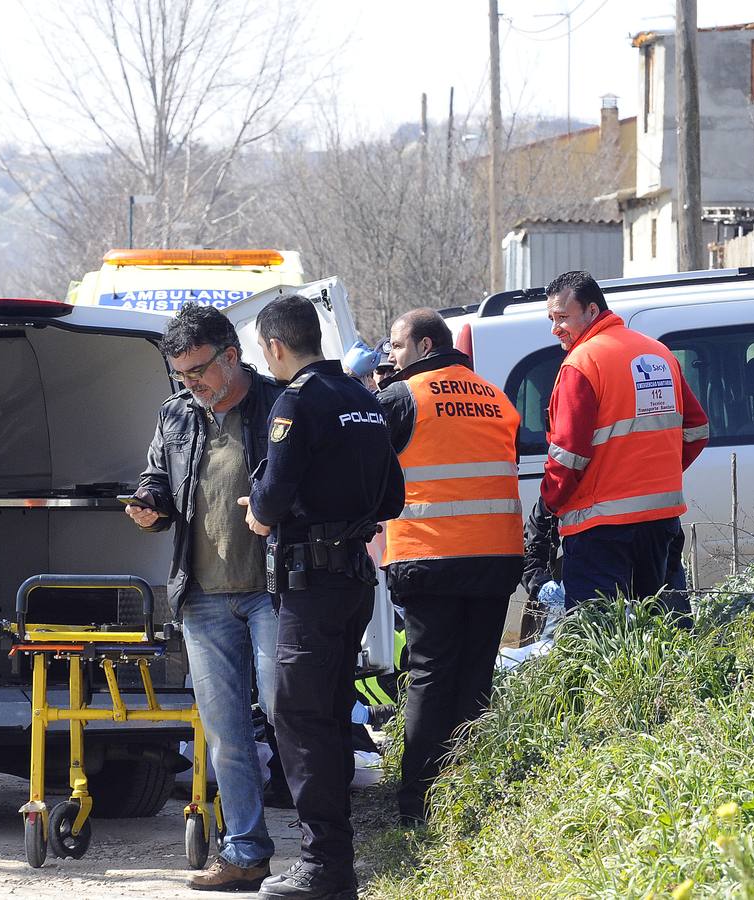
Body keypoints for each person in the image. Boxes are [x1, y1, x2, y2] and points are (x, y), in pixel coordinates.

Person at [239, 295, 403, 900]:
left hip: (308, 585)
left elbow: (272, 497)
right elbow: (393, 499)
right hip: (353, 581)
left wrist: (259, 515)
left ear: (276, 346)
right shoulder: (364, 398)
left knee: (301, 719)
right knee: (331, 717)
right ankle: (335, 861)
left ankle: (323, 865)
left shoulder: (296, 402)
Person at [129, 304, 285, 892]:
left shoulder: (276, 405)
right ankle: (245, 852)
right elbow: (157, 478)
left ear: (231, 355)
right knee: (223, 735)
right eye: (180, 374)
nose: (189, 383)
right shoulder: (176, 415)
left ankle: (326, 844)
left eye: (197, 370)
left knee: (286, 717)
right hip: (202, 598)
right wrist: (148, 506)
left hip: (271, 592)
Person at [374, 308, 522, 827]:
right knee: (475, 677)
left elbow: (364, 467)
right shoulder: (494, 395)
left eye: (396, 345)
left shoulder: (401, 398)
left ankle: (417, 803)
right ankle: (471, 795)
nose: (390, 356)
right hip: (496, 556)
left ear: (425, 345)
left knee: (430, 676)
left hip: (429, 555)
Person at [540, 271, 709, 620]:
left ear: (591, 310)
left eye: (562, 317)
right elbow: (697, 430)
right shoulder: (658, 352)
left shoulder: (581, 364)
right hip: (660, 523)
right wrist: (655, 474)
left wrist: (549, 505)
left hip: (598, 529)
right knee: (667, 632)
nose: (555, 328)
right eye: (552, 319)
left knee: (599, 638)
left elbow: (568, 455)